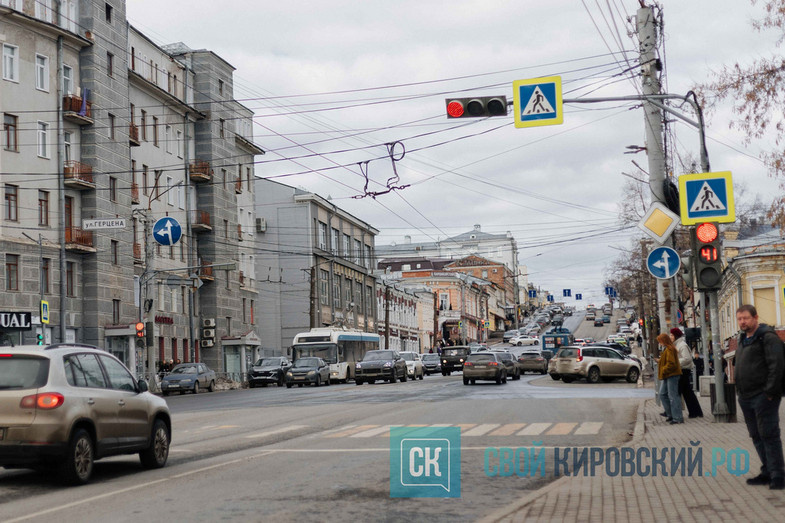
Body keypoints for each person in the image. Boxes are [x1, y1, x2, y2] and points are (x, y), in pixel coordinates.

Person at [735, 304, 784, 490]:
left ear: (755, 317)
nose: (742, 322)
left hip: (763, 396)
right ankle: (767, 471)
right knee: (756, 435)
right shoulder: (743, 339)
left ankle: (778, 475)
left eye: (746, 318)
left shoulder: (767, 337)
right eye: (739, 319)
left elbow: (776, 365)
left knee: (769, 435)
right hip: (745, 396)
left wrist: (770, 392)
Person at [671, 328, 703, 418]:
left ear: (676, 336)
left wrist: (675, 362)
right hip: (682, 370)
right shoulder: (678, 344)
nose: (670, 337)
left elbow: (687, 359)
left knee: (679, 392)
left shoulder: (682, 345)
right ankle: (695, 412)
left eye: (672, 335)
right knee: (687, 392)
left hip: (684, 370)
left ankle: (675, 413)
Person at [657, 333, 683, 424]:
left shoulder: (670, 349)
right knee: (662, 394)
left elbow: (671, 364)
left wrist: (663, 369)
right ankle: (671, 414)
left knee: (673, 396)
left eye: (660, 341)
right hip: (668, 375)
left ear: (664, 341)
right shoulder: (667, 349)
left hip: (672, 375)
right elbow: (668, 361)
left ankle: (677, 417)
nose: (659, 343)